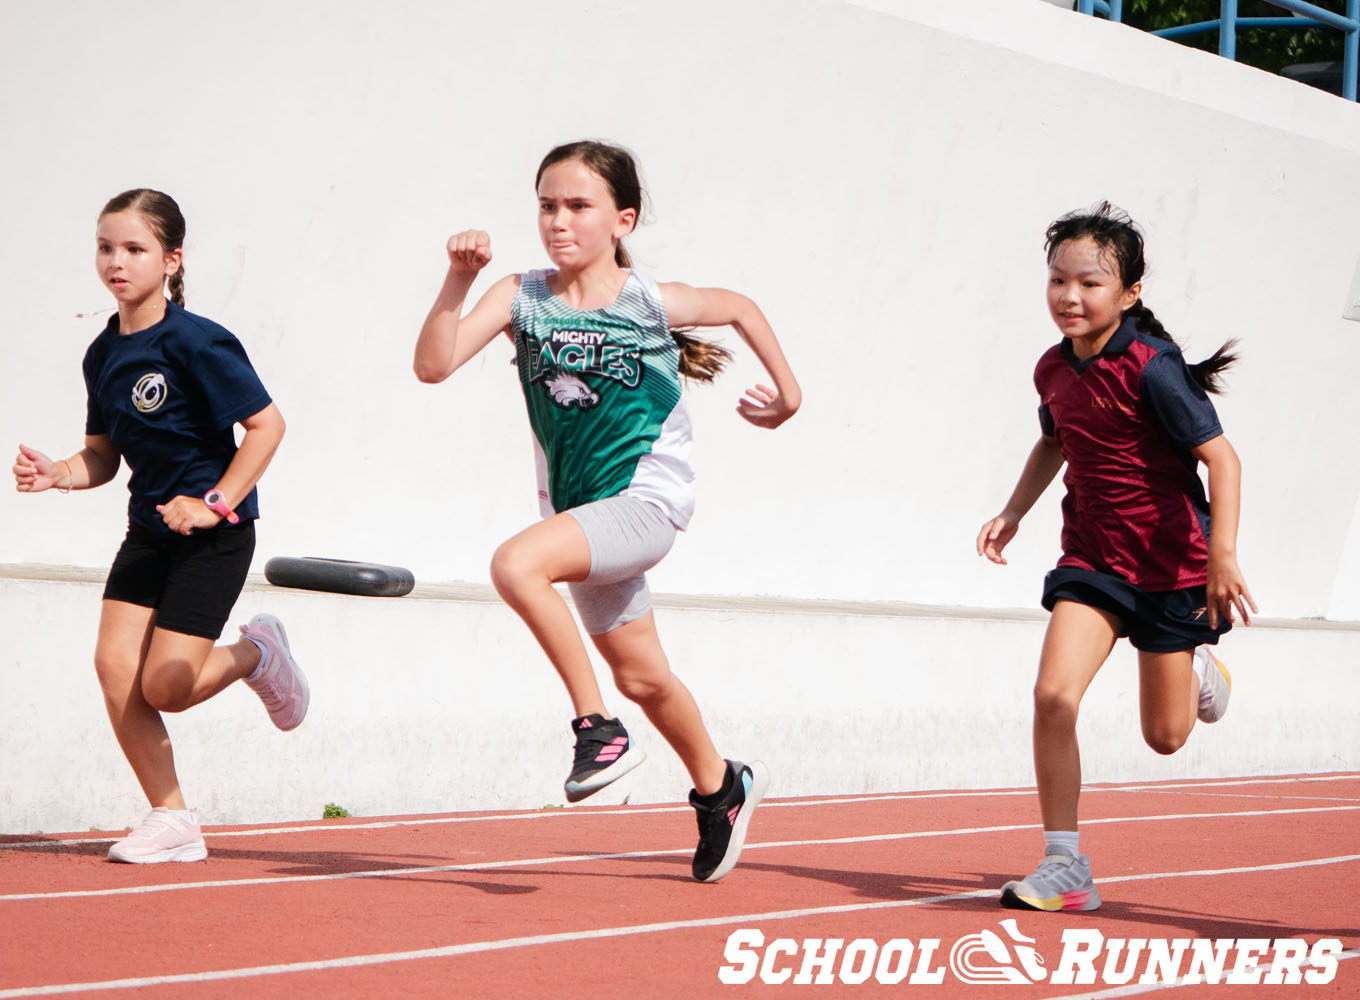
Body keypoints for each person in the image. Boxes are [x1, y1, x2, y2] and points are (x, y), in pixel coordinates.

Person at [413, 140, 801, 882]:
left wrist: (789, 394)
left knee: (515, 563)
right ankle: (722, 787)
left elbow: (740, 308)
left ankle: (597, 730)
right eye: (547, 205)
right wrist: (457, 282)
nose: (559, 221)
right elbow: (433, 365)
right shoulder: (519, 296)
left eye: (578, 206)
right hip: (586, 515)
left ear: (621, 219)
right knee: (645, 677)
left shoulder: (649, 300)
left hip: (646, 502)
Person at [13, 189, 308, 864]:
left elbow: (267, 427)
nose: (117, 262)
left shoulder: (196, 340)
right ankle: (172, 818)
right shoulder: (102, 355)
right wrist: (59, 472)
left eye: (135, 249)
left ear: (172, 260)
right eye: (105, 247)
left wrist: (215, 502)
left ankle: (256, 654)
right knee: (115, 667)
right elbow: (102, 457)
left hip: (215, 535)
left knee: (167, 687)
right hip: (148, 532)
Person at [976, 202, 1256, 911]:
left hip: (1174, 569)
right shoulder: (1052, 369)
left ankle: (1195, 661)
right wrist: (1013, 511)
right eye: (1058, 282)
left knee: (1165, 738)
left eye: (1090, 284)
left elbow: (1222, 459)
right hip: (1094, 561)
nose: (1070, 297)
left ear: (1129, 294)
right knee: (1052, 696)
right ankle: (1065, 864)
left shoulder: (1152, 369)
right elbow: (1055, 442)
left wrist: (1222, 554)